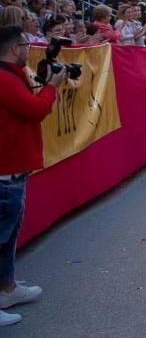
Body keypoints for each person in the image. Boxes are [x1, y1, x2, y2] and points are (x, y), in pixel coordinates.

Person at [0, 25, 66, 327]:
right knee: (2, 236)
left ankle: (7, 289)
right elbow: (35, 109)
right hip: (5, 172)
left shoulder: (13, 74)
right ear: (15, 48)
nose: (30, 49)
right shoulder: (4, 79)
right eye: (26, 44)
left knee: (9, 236)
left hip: (13, 169)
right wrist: (52, 86)